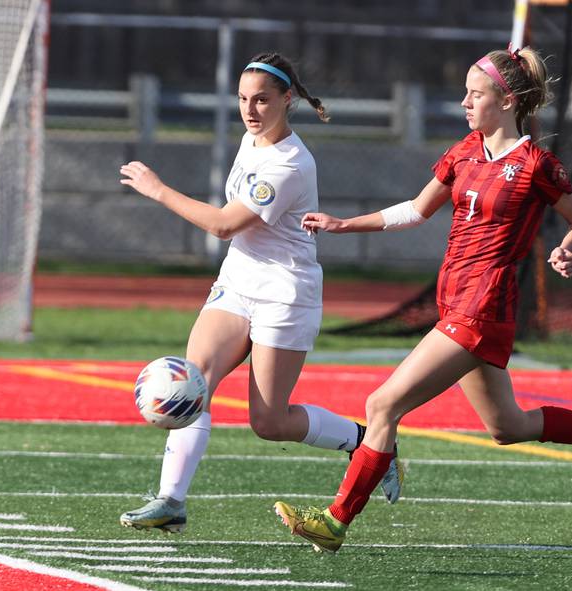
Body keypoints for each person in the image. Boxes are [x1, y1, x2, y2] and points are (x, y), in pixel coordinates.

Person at [273, 45, 572, 553]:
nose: (465, 103)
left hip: (483, 307)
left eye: (474, 95)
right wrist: (345, 224)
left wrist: (567, 249)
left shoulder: (536, 163)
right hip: (457, 302)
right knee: (509, 426)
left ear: (505, 101)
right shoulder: (464, 151)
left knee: (382, 404)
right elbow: (415, 210)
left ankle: (335, 521)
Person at [118, 52, 404, 533]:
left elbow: (225, 225)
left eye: (262, 100)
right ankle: (171, 501)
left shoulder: (290, 163)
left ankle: (368, 442)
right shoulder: (252, 140)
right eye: (243, 100)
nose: (251, 110)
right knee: (195, 383)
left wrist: (159, 190)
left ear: (287, 99)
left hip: (284, 293)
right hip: (238, 282)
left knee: (269, 422)